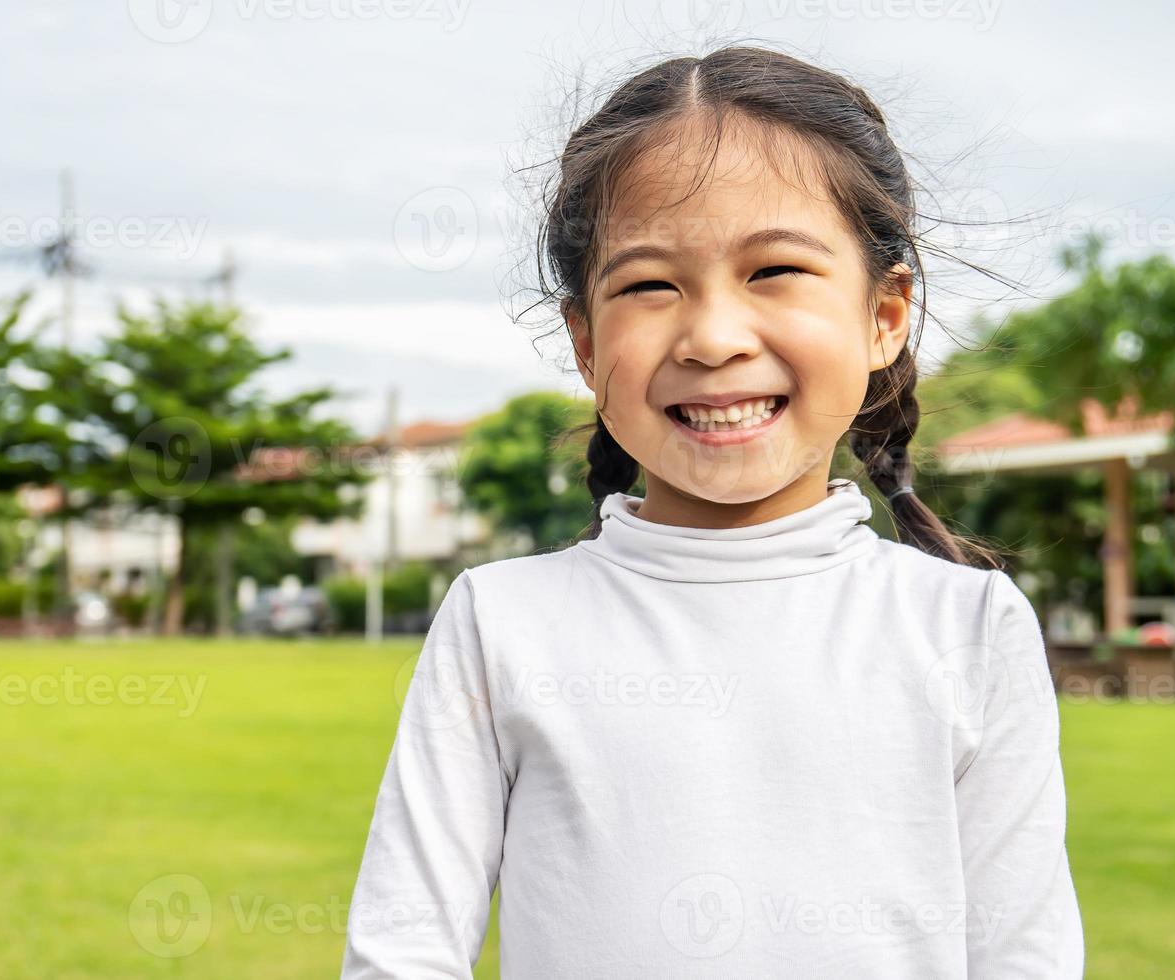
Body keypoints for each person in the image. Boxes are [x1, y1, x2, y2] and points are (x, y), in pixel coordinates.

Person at [341, 45, 1083, 979]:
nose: (714, 338)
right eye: (651, 285)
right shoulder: (500, 622)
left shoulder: (968, 627)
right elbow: (402, 952)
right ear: (584, 340)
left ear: (884, 316)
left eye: (774, 270)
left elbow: (1023, 958)